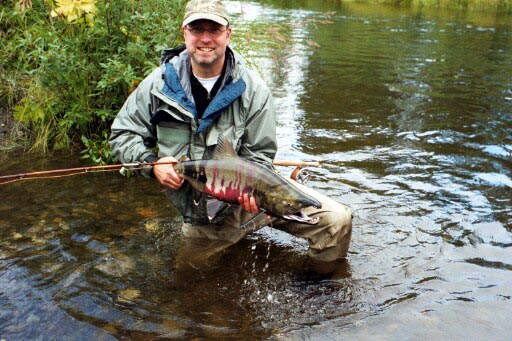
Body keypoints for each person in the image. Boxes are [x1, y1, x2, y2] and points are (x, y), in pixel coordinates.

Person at [109, 0, 352, 274]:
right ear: (184, 33)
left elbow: (259, 157)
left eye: (214, 29)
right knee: (188, 280)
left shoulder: (253, 90)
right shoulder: (157, 86)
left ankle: (318, 289)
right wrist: (152, 164)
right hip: (202, 218)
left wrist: (252, 196)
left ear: (228, 33)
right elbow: (122, 134)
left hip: (254, 200)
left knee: (337, 221)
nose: (205, 38)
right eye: (197, 29)